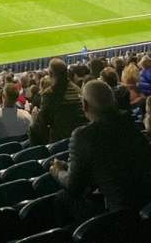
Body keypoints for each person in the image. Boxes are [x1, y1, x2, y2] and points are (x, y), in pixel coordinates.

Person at [51, 79, 151, 223]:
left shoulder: (84, 136)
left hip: (121, 217)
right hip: (144, 205)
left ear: (85, 105)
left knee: (62, 197)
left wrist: (58, 171)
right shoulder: (131, 123)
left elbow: (74, 187)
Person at [30, 57, 87, 144]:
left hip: (62, 141)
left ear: (50, 73)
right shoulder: (77, 89)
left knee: (34, 127)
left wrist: (35, 119)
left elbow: (43, 123)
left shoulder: (49, 94)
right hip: (80, 137)